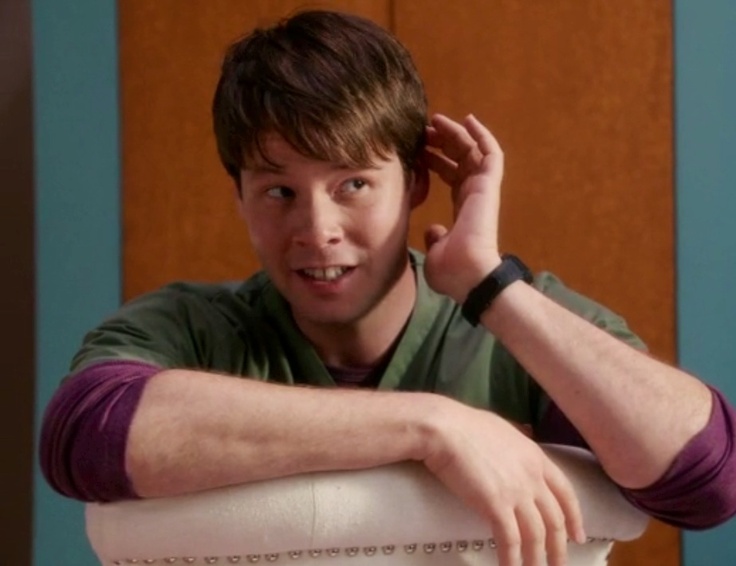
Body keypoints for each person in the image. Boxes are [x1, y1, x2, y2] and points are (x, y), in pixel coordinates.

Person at [40, 9, 735, 566]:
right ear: (240, 198)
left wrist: (491, 286)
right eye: (279, 190)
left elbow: (705, 481)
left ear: (418, 184)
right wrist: (434, 428)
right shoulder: (194, 326)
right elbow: (86, 436)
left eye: (354, 185)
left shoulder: (506, 325)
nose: (316, 229)